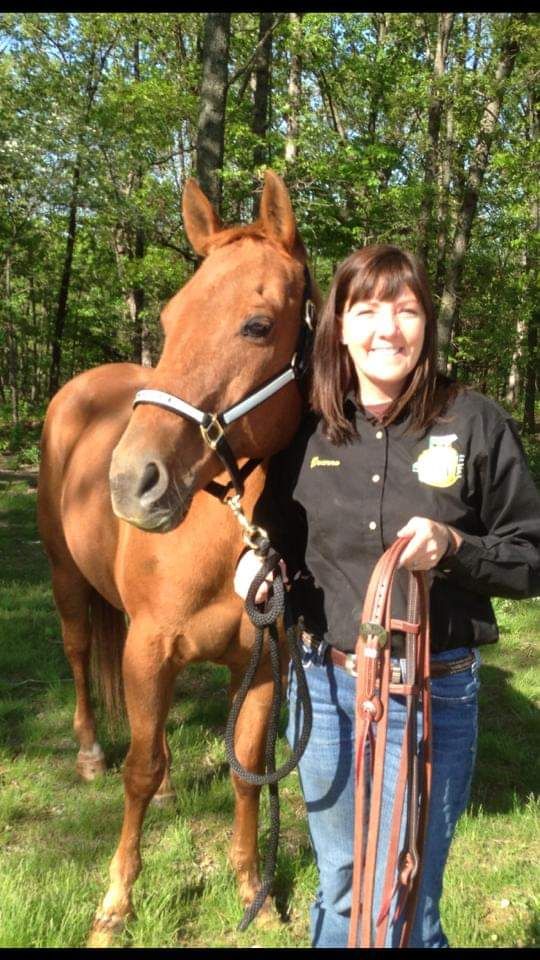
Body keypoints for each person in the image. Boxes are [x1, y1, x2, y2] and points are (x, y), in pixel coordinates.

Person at [234, 245, 540, 948]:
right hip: (324, 689)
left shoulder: (476, 423)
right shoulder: (304, 430)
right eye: (367, 309)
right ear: (337, 326)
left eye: (406, 310)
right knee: (341, 885)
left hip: (428, 697)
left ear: (427, 325)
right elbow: (278, 537)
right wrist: (257, 570)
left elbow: (532, 557)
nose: (387, 328)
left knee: (402, 899)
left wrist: (456, 550)